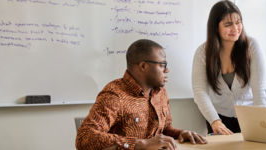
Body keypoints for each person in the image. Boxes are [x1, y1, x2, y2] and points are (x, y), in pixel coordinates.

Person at [76, 39, 207, 150]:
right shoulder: (114, 95)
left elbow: (164, 129)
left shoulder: (160, 92)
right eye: (162, 64)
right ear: (143, 66)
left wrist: (180, 133)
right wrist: (140, 144)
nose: (167, 69)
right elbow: (85, 137)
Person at [192, 0, 266, 135]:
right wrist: (214, 120)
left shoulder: (252, 46)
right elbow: (199, 91)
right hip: (218, 118)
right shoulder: (202, 52)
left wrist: (259, 122)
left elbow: (260, 90)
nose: (235, 29)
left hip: (250, 116)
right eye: (228, 24)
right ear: (216, 27)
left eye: (238, 22)